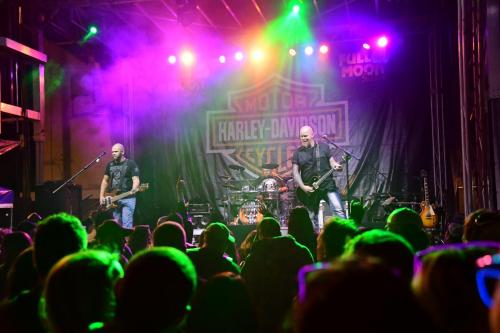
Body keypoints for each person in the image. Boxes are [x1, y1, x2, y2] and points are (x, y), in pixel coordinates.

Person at [292, 126, 345, 225]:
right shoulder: (298, 153)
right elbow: (295, 172)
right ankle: (314, 239)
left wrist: (336, 166)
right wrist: (303, 187)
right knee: (311, 217)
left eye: (305, 136)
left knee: (338, 211)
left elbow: (332, 162)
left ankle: (345, 236)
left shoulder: (324, 147)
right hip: (310, 189)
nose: (303, 138)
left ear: (312, 135)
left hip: (327, 185)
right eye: (301, 136)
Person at [100, 143, 140, 229]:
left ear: (122, 152)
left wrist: (134, 189)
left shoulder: (131, 164)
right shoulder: (110, 165)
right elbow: (105, 181)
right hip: (114, 198)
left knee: (127, 224)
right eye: (112, 152)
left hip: (128, 197)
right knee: (116, 224)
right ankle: (119, 242)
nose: (113, 153)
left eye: (116, 151)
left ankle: (127, 242)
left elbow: (136, 179)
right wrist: (101, 196)